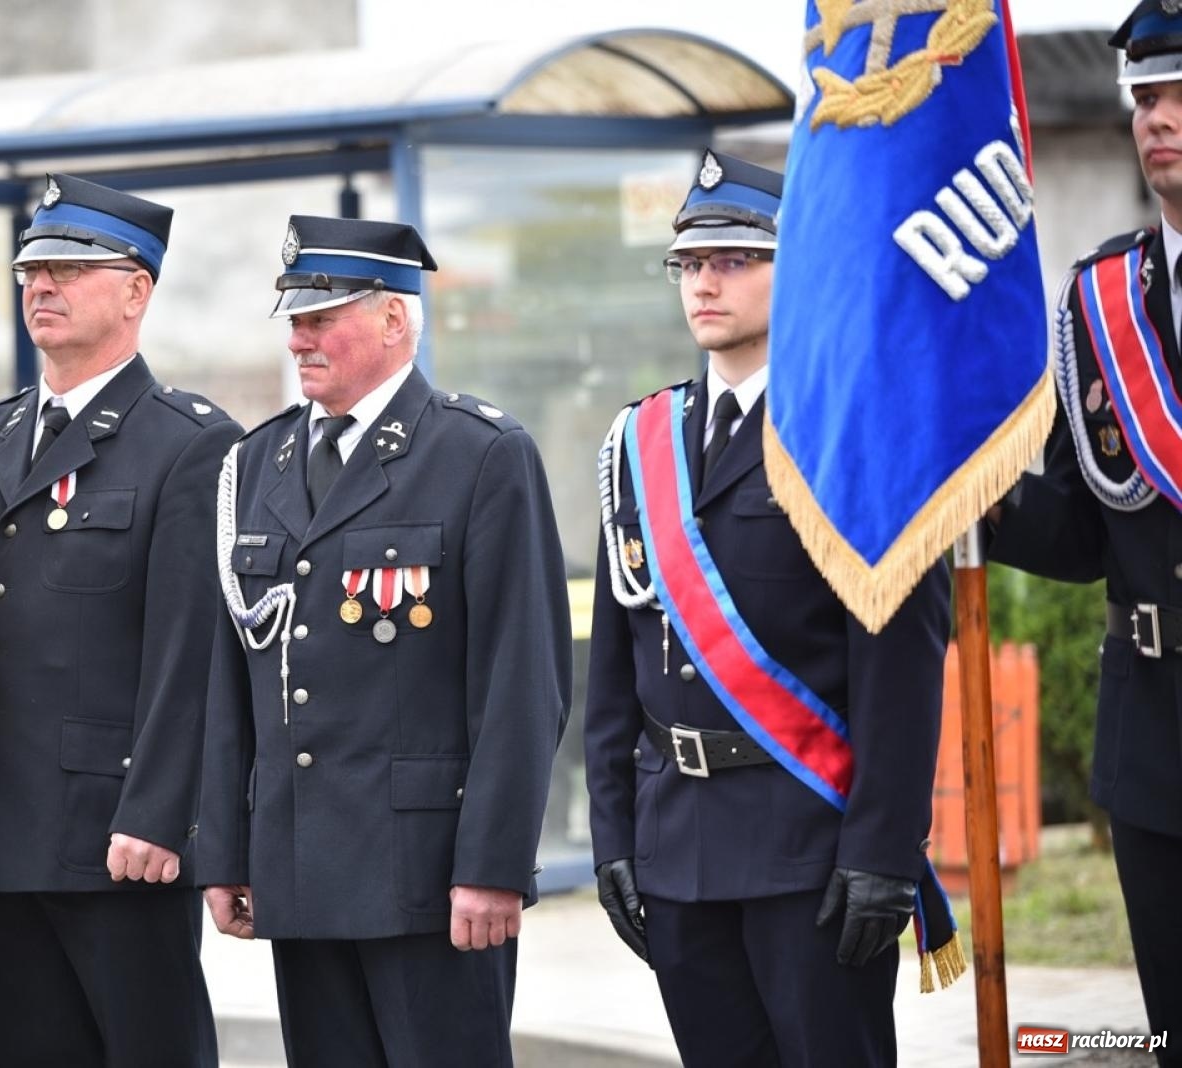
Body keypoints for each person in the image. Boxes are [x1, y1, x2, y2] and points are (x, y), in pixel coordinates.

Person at [582, 152, 952, 1067]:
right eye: (690, 263)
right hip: (678, 848)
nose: (705, 281)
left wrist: (884, 851)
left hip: (811, 848)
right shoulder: (641, 442)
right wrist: (614, 835)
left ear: (802, 270)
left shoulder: (854, 435)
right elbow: (616, 671)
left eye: (737, 259)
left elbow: (900, 664)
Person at [198, 215, 571, 1066]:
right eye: (293, 319)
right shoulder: (258, 464)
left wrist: (495, 866)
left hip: (428, 875)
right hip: (296, 869)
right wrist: (225, 849)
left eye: (321, 317)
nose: (299, 339)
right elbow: (232, 680)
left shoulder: (479, 454)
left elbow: (524, 683)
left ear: (394, 320)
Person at [0, 173, 237, 1067]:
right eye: (31, 268)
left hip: (114, 840)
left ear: (136, 291)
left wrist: (158, 816)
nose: (42, 286)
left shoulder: (186, 442)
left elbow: (191, 657)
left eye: (69, 268)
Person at [989, 5, 1182, 1056]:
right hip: (1154, 739)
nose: (1155, 118)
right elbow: (1079, 527)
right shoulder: (1101, 299)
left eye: (1175, 94)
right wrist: (966, 494)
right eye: (1144, 98)